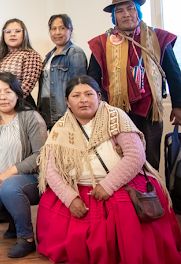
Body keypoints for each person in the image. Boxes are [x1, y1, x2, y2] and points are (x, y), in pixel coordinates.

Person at [36, 75, 181, 263]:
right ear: (67, 101)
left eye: (89, 94)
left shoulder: (116, 117)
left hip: (120, 183)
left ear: (99, 96)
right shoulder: (59, 128)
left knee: (126, 220)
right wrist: (70, 198)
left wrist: (107, 186)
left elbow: (135, 156)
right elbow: (50, 170)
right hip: (77, 188)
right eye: (76, 95)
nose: (83, 100)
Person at [88, 0, 181, 170]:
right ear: (114, 17)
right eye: (120, 11)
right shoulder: (102, 42)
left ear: (138, 12)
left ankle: (152, 194)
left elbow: (173, 73)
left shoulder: (158, 37)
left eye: (130, 8)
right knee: (120, 159)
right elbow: (93, 79)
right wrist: (94, 109)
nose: (126, 14)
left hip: (149, 111)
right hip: (116, 112)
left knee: (151, 159)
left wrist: (178, 105)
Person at [0, 72, 47, 258]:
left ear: (17, 94)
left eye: (7, 91)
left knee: (10, 186)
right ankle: (16, 219)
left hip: (31, 179)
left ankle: (27, 238)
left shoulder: (30, 117)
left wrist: (10, 172)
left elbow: (40, 155)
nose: (2, 97)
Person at [38, 14, 87, 129]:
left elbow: (78, 87)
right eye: (53, 29)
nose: (57, 32)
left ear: (70, 30)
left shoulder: (75, 53)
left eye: (62, 28)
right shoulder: (49, 55)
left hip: (63, 111)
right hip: (46, 109)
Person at [0, 19, 42, 109]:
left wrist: (9, 101)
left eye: (17, 31)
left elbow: (28, 84)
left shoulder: (31, 55)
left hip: (21, 106)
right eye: (8, 32)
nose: (12, 34)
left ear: (24, 34)